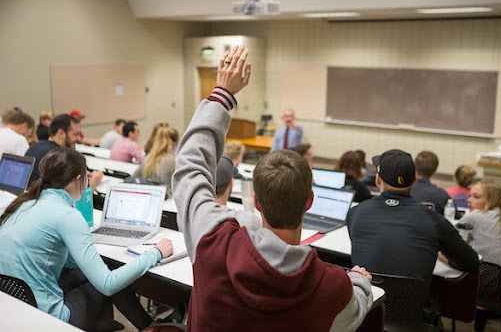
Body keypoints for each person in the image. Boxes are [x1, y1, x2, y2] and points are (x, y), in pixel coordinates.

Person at [172, 46, 373, 331]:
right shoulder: (331, 286)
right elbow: (353, 313)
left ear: (255, 200)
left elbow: (190, 165)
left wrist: (223, 94)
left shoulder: (212, 241)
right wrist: (359, 282)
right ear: (309, 201)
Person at [0, 147, 174, 330]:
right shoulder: (67, 215)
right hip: (50, 320)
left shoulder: (25, 203)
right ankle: (147, 327)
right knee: (107, 280)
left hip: (16, 308)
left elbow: (65, 261)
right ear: (78, 180)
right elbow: (107, 284)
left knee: (96, 272)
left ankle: (144, 326)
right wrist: (155, 253)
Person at [347, 149, 479, 289]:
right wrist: (440, 252)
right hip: (412, 308)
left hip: (368, 306)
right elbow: (471, 262)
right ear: (415, 180)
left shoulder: (355, 213)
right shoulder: (435, 221)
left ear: (378, 179)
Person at [455, 179, 501, 331]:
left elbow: (452, 246)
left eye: (476, 197)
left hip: (478, 291)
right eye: (470, 196)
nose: (469, 200)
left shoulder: (474, 217)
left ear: (491, 200)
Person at [133, 126, 179, 193]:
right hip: (167, 200)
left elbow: (134, 177)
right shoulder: (174, 162)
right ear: (174, 144)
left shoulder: (147, 158)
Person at [411, 150, 456, 216]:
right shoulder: (441, 195)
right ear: (435, 170)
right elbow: (455, 217)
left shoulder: (404, 190)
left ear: (415, 167)